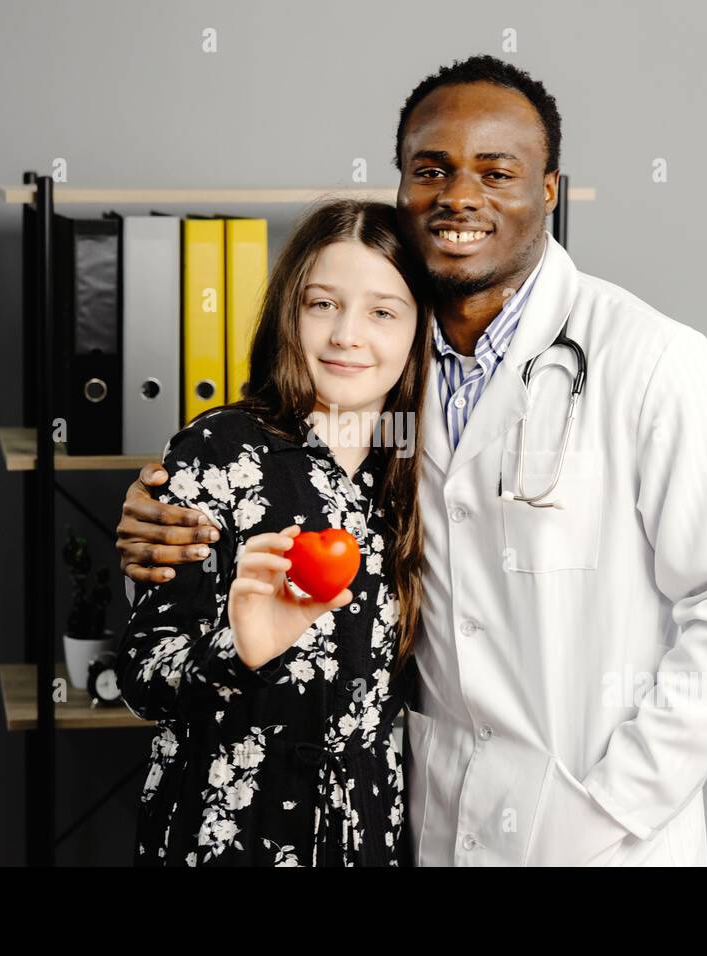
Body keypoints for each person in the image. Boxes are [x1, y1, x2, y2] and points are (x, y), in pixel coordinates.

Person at [118, 56, 707, 867]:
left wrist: (618, 802)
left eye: (497, 171)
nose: (460, 197)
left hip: (601, 826)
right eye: (431, 169)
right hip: (428, 820)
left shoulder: (651, 358)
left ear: (548, 189)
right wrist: (165, 514)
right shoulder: (394, 373)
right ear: (402, 185)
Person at [114, 198, 434, 866]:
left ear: (417, 327)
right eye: (322, 304)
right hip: (228, 827)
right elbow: (142, 678)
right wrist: (240, 649)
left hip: (368, 831)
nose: (348, 334)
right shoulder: (219, 449)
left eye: (382, 310)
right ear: (290, 312)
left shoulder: (426, 466)